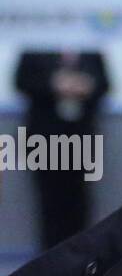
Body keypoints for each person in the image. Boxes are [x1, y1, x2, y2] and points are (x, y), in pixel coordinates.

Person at [14, 50, 111, 250]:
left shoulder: (91, 48)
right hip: (44, 138)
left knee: (79, 202)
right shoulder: (36, 46)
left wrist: (86, 85)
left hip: (81, 136)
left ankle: (81, 261)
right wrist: (54, 83)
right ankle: (49, 261)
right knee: (48, 203)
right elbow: (21, 80)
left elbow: (105, 83)